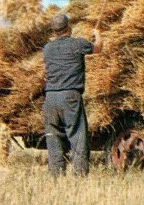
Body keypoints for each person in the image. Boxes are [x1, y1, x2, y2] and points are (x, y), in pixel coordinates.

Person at [41, 13, 102, 176]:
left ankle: (55, 175)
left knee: (53, 138)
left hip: (50, 98)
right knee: (77, 136)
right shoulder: (78, 44)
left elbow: (45, 72)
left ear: (54, 31)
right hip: (70, 97)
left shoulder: (47, 49)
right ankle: (79, 175)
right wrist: (97, 35)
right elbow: (98, 48)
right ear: (69, 27)